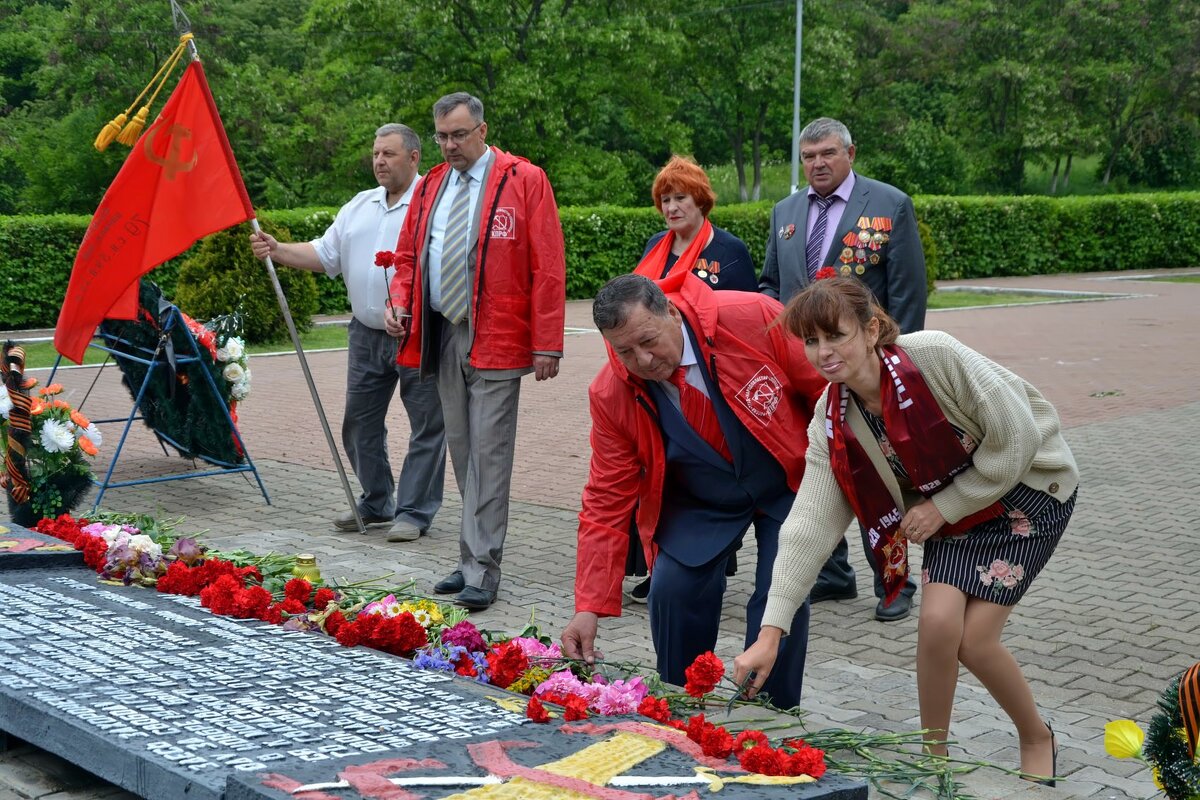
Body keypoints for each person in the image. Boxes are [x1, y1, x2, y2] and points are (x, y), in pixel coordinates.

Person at [734, 276, 1076, 783]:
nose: (824, 352)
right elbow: (807, 526)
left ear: (872, 330)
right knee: (938, 626)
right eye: (811, 341)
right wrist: (770, 633)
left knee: (976, 641)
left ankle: (1036, 736)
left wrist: (944, 505)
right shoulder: (833, 420)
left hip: (1025, 492)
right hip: (951, 512)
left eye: (836, 336)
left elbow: (1017, 434)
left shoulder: (934, 356)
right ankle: (932, 759)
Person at [560, 272, 827, 709]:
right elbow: (606, 499)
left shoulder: (752, 317)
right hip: (700, 497)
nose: (643, 361)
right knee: (671, 588)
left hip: (785, 476)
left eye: (648, 341)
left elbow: (824, 391)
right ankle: (682, 707)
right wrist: (588, 605)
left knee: (780, 593)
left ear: (670, 312)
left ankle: (770, 717)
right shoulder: (611, 391)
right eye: (624, 351)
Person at [385, 92, 566, 611]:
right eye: (442, 136)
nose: (449, 145)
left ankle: (483, 568)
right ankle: (471, 558)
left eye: (459, 135)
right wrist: (400, 303)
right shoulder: (433, 186)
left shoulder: (523, 179)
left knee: (489, 453)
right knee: (463, 452)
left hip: (500, 337)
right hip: (441, 333)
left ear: (483, 130)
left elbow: (547, 264)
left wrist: (547, 342)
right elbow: (405, 258)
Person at [759, 116, 926, 621]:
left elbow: (907, 295)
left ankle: (895, 582)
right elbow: (771, 287)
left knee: (875, 477)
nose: (818, 164)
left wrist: (896, 365)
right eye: (809, 156)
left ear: (851, 154)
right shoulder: (785, 211)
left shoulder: (888, 204)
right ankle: (832, 574)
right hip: (803, 371)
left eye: (828, 153)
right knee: (813, 473)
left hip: (866, 372)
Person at [250, 123, 446, 542]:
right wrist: (277, 248)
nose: (379, 161)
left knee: (427, 425)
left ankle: (414, 512)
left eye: (389, 154)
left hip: (419, 333)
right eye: (376, 153)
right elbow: (325, 253)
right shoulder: (359, 204)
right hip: (366, 334)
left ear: (414, 158)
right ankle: (377, 501)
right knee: (359, 422)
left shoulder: (433, 204)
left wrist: (411, 306)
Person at [624, 156, 758, 601]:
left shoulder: (728, 250)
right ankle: (662, 563)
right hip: (658, 379)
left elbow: (744, 318)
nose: (672, 207)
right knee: (663, 474)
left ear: (700, 199)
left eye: (680, 197)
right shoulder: (654, 246)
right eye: (665, 199)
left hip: (711, 379)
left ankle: (710, 563)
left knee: (705, 471)